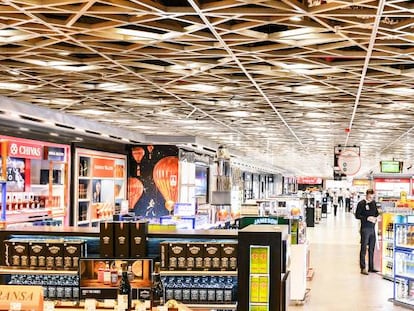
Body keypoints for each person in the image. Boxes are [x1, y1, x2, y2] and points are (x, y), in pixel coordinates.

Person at [355, 189, 380, 275]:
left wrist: (376, 218)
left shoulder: (373, 203)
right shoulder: (361, 203)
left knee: (372, 248)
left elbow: (376, 213)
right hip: (365, 228)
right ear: (366, 195)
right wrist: (366, 218)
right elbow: (357, 215)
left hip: (372, 228)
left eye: (372, 197)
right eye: (369, 197)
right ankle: (363, 267)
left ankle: (371, 267)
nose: (371, 199)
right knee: (363, 248)